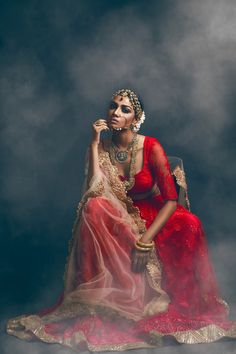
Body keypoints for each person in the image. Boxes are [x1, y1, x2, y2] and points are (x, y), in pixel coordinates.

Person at [7, 89, 236, 352]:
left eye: (125, 109)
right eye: (113, 106)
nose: (116, 113)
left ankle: (166, 298)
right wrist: (94, 142)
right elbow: (94, 189)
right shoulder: (102, 147)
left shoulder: (151, 146)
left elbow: (171, 200)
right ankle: (111, 301)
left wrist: (145, 241)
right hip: (117, 213)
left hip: (151, 212)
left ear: (135, 119)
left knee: (190, 223)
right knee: (94, 208)